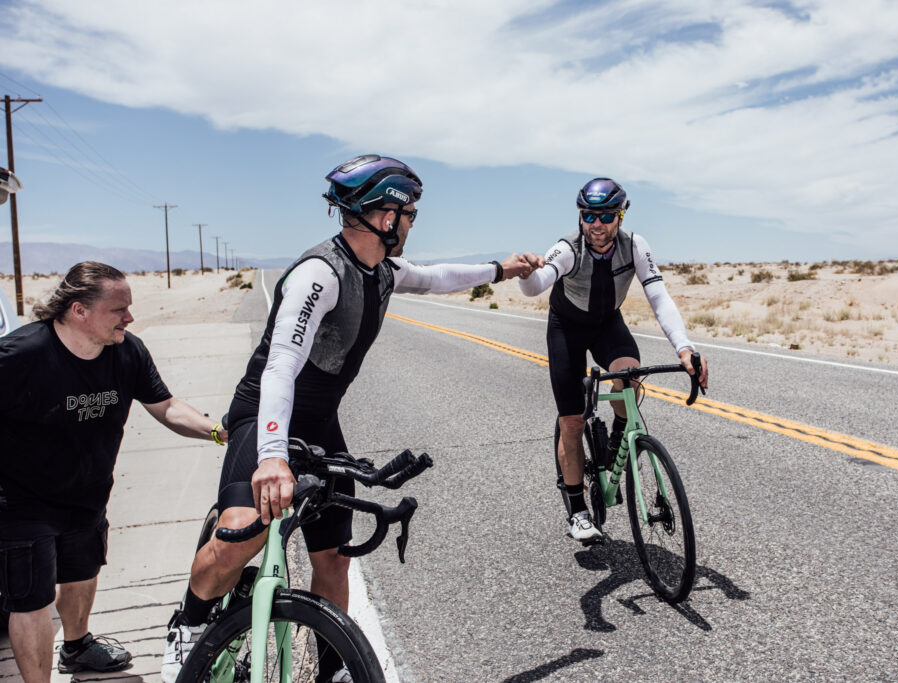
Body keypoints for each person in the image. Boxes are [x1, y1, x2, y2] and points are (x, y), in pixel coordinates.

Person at [162, 154, 540, 682]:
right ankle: (189, 624)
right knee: (237, 540)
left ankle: (333, 668)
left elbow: (440, 278)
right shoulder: (320, 273)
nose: (411, 223)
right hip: (266, 417)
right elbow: (279, 369)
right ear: (386, 218)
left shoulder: (383, 269)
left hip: (320, 423)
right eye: (408, 214)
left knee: (333, 559)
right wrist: (271, 458)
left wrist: (504, 269)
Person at [0, 261, 229, 682]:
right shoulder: (21, 355)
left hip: (87, 490)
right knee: (31, 601)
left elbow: (167, 407)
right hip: (21, 499)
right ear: (78, 310)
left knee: (83, 571)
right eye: (118, 309)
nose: (130, 317)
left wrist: (217, 431)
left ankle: (78, 646)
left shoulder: (127, 351)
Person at [519, 177, 709, 543]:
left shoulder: (635, 246)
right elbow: (538, 284)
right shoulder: (568, 248)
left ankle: (615, 447)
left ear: (620, 216)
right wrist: (527, 276)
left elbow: (659, 298)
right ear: (581, 216)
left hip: (607, 324)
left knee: (631, 379)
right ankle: (577, 512)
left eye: (606, 215)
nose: (597, 224)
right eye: (589, 216)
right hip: (567, 329)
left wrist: (684, 348)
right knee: (572, 421)